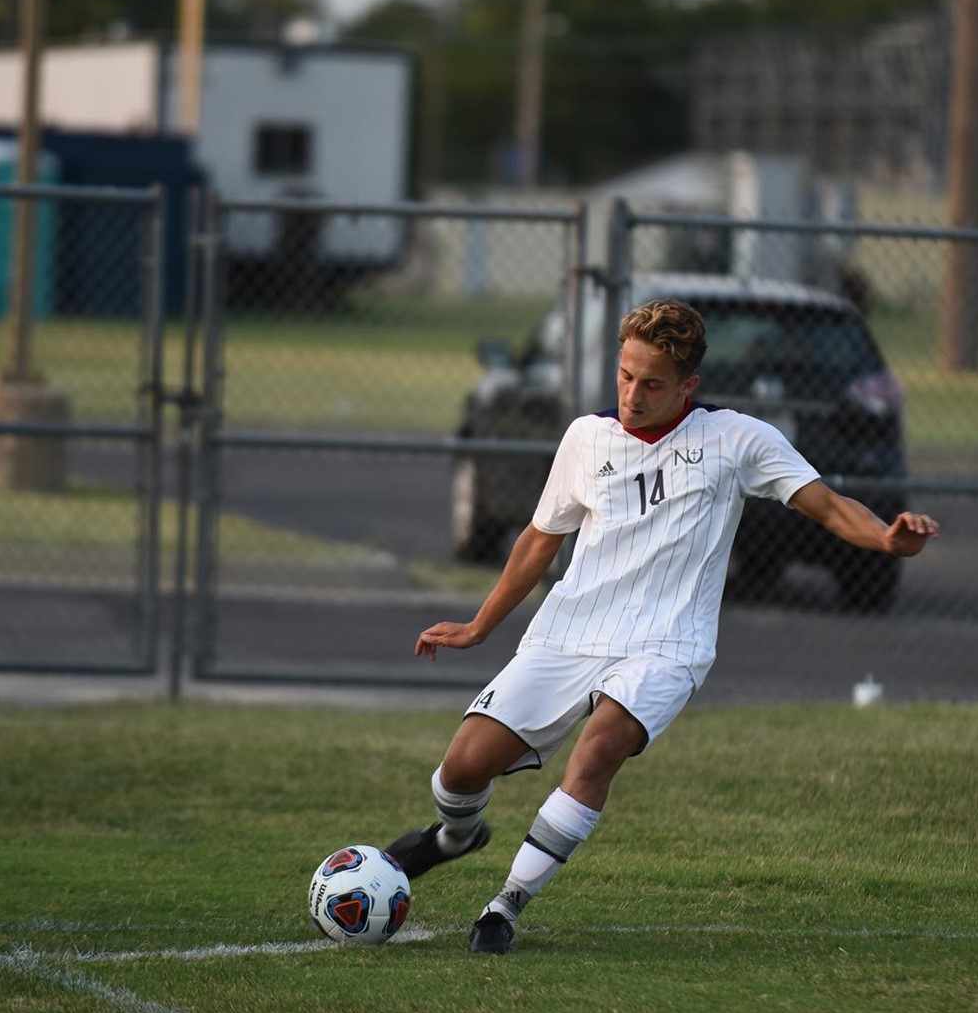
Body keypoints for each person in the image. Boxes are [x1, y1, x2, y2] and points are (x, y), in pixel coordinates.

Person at [389, 298, 939, 954]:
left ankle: (503, 908)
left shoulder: (736, 439)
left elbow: (825, 504)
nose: (632, 394)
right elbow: (539, 542)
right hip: (569, 632)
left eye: (652, 384)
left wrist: (885, 538)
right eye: (625, 375)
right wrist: (480, 625)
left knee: (598, 751)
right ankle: (455, 836)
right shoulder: (586, 439)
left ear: (688, 386)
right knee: (461, 769)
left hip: (666, 644)